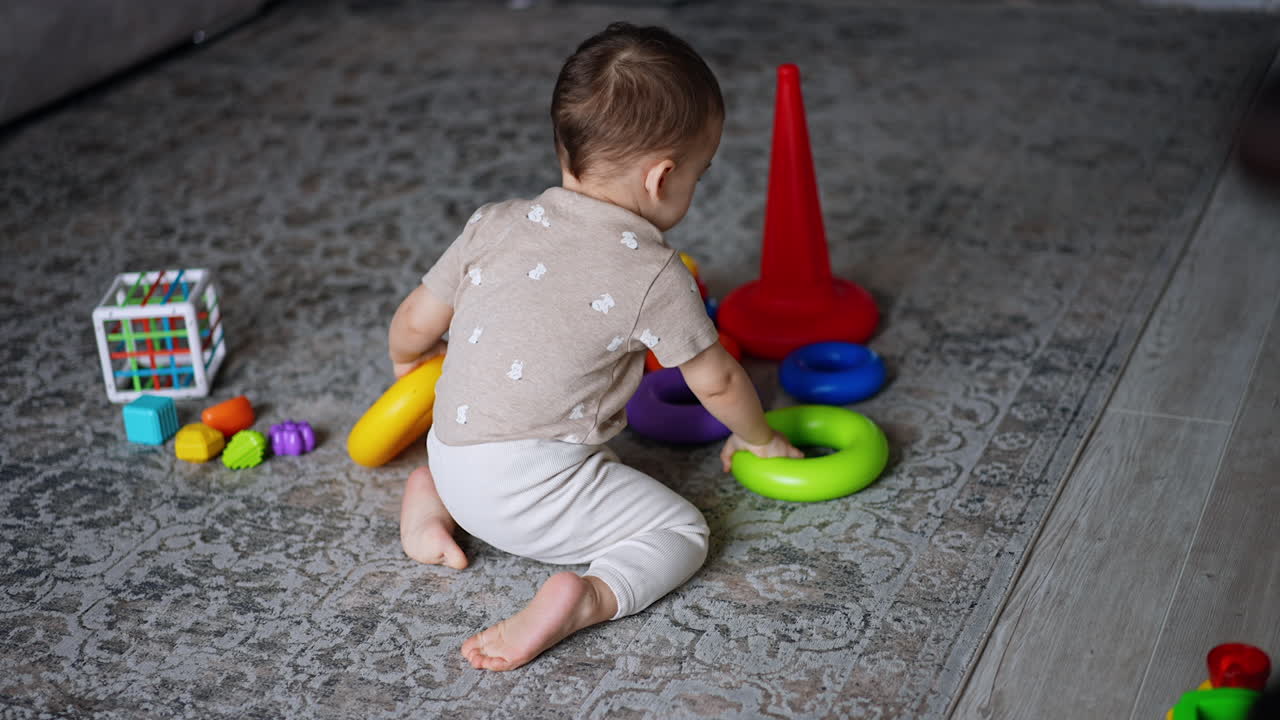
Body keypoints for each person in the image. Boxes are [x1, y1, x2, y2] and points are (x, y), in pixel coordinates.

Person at [387, 21, 802, 672]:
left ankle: (430, 502)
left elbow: (414, 319)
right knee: (681, 533)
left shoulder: (490, 222)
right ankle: (589, 597)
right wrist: (759, 438)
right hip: (527, 493)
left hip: (450, 449)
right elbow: (716, 379)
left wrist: (409, 369)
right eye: (701, 173)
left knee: (466, 460)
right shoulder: (654, 273)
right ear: (662, 178)